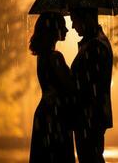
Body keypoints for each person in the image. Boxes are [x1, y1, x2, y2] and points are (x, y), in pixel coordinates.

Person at [29, 13, 76, 163]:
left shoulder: (42, 56)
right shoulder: (55, 57)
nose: (67, 30)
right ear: (54, 30)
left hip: (46, 113)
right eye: (63, 25)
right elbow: (70, 87)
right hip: (56, 116)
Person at [70, 8, 113, 163]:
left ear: (86, 17)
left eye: (74, 20)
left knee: (89, 158)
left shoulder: (95, 45)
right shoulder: (95, 42)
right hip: (90, 115)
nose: (73, 26)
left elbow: (86, 84)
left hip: (89, 116)